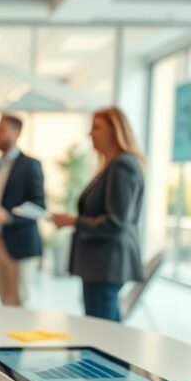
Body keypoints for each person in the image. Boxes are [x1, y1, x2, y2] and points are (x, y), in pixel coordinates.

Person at [52, 106, 145, 322]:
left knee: (102, 330)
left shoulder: (122, 165)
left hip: (106, 265)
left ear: (115, 131)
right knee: (105, 328)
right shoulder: (111, 166)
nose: (90, 134)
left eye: (96, 128)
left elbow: (116, 223)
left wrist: (73, 221)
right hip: (101, 265)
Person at [0, 114, 44, 307]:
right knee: (4, 301)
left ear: (16, 133)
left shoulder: (30, 165)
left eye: (2, 129)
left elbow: (38, 206)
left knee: (21, 301)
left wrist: (9, 218)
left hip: (21, 244)